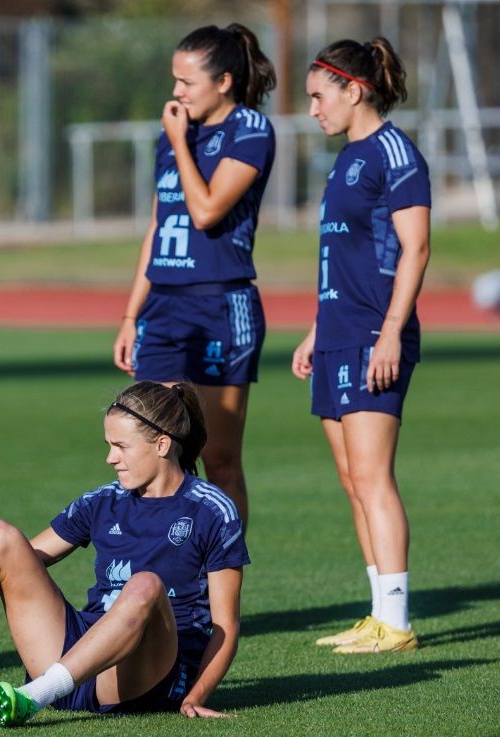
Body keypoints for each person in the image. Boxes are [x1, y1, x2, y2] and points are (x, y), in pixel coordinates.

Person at [0, 382, 248, 726]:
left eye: (120, 446)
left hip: (147, 674)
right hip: (74, 653)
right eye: (108, 445)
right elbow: (26, 556)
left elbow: (224, 626)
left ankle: (33, 697)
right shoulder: (102, 500)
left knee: (145, 584)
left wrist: (195, 696)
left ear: (162, 444)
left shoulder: (213, 510)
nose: (110, 458)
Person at [292, 37, 429, 654]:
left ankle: (397, 623)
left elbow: (416, 248)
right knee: (352, 479)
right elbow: (345, 257)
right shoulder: (345, 158)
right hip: (337, 335)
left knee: (374, 478)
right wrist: (317, 331)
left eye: (321, 96)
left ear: (355, 89)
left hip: (375, 335)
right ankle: (378, 614)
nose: (314, 108)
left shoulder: (394, 152)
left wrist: (392, 332)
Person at [113, 24, 277, 527]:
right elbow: (159, 227)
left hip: (220, 308)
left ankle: (222, 595)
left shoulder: (250, 130)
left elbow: (205, 211)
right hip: (163, 310)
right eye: (174, 81)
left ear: (224, 81)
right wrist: (130, 314)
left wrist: (180, 142)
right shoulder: (177, 133)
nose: (177, 93)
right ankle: (169, 592)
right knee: (159, 456)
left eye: (187, 82)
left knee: (219, 459)